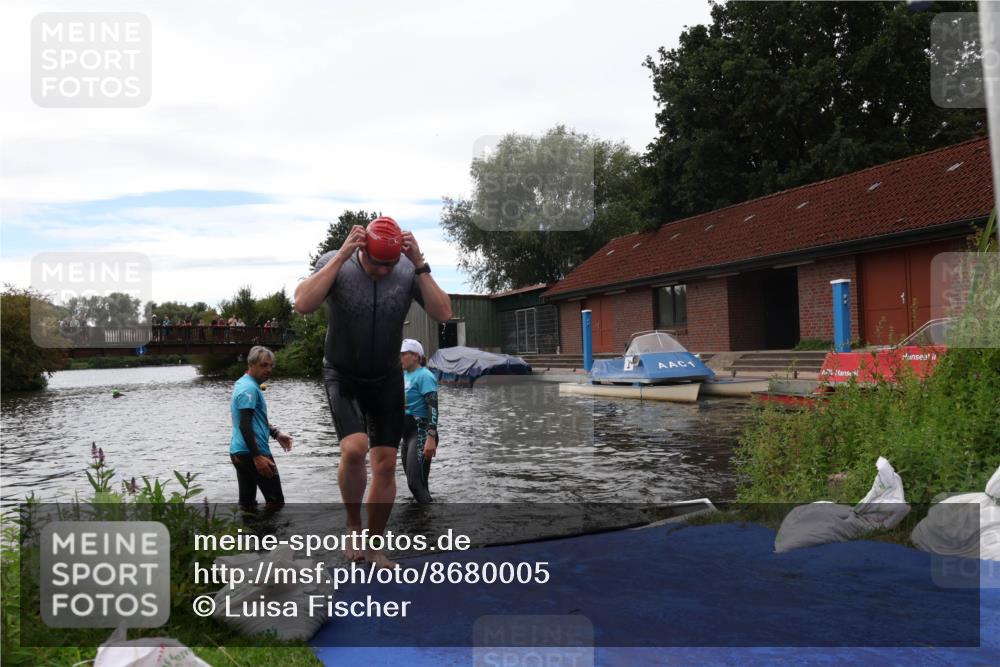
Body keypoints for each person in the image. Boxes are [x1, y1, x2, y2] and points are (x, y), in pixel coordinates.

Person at [293, 216, 452, 567]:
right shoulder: (337, 261)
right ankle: (352, 525)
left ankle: (375, 544)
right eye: (375, 263)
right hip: (343, 373)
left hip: (385, 377)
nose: (382, 271)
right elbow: (303, 303)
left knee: (385, 463)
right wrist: (341, 256)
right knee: (354, 447)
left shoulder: (408, 270)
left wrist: (420, 264)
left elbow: (443, 313)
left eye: (389, 265)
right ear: (361, 248)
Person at [229, 345, 293, 511]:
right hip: (254, 452)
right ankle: (268, 536)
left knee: (247, 504)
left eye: (271, 366)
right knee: (276, 502)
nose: (268, 369)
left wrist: (275, 433)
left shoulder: (244, 383)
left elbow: (255, 418)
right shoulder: (248, 388)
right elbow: (244, 423)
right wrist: (257, 457)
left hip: (239, 453)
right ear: (251, 365)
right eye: (264, 365)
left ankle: (247, 535)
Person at [399, 339, 438, 503]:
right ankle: (424, 520)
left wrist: (431, 437)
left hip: (421, 433)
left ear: (415, 356)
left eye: (403, 354)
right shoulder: (403, 375)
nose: (400, 358)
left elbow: (433, 407)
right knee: (418, 483)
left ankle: (429, 521)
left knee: (414, 483)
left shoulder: (425, 376)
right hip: (406, 435)